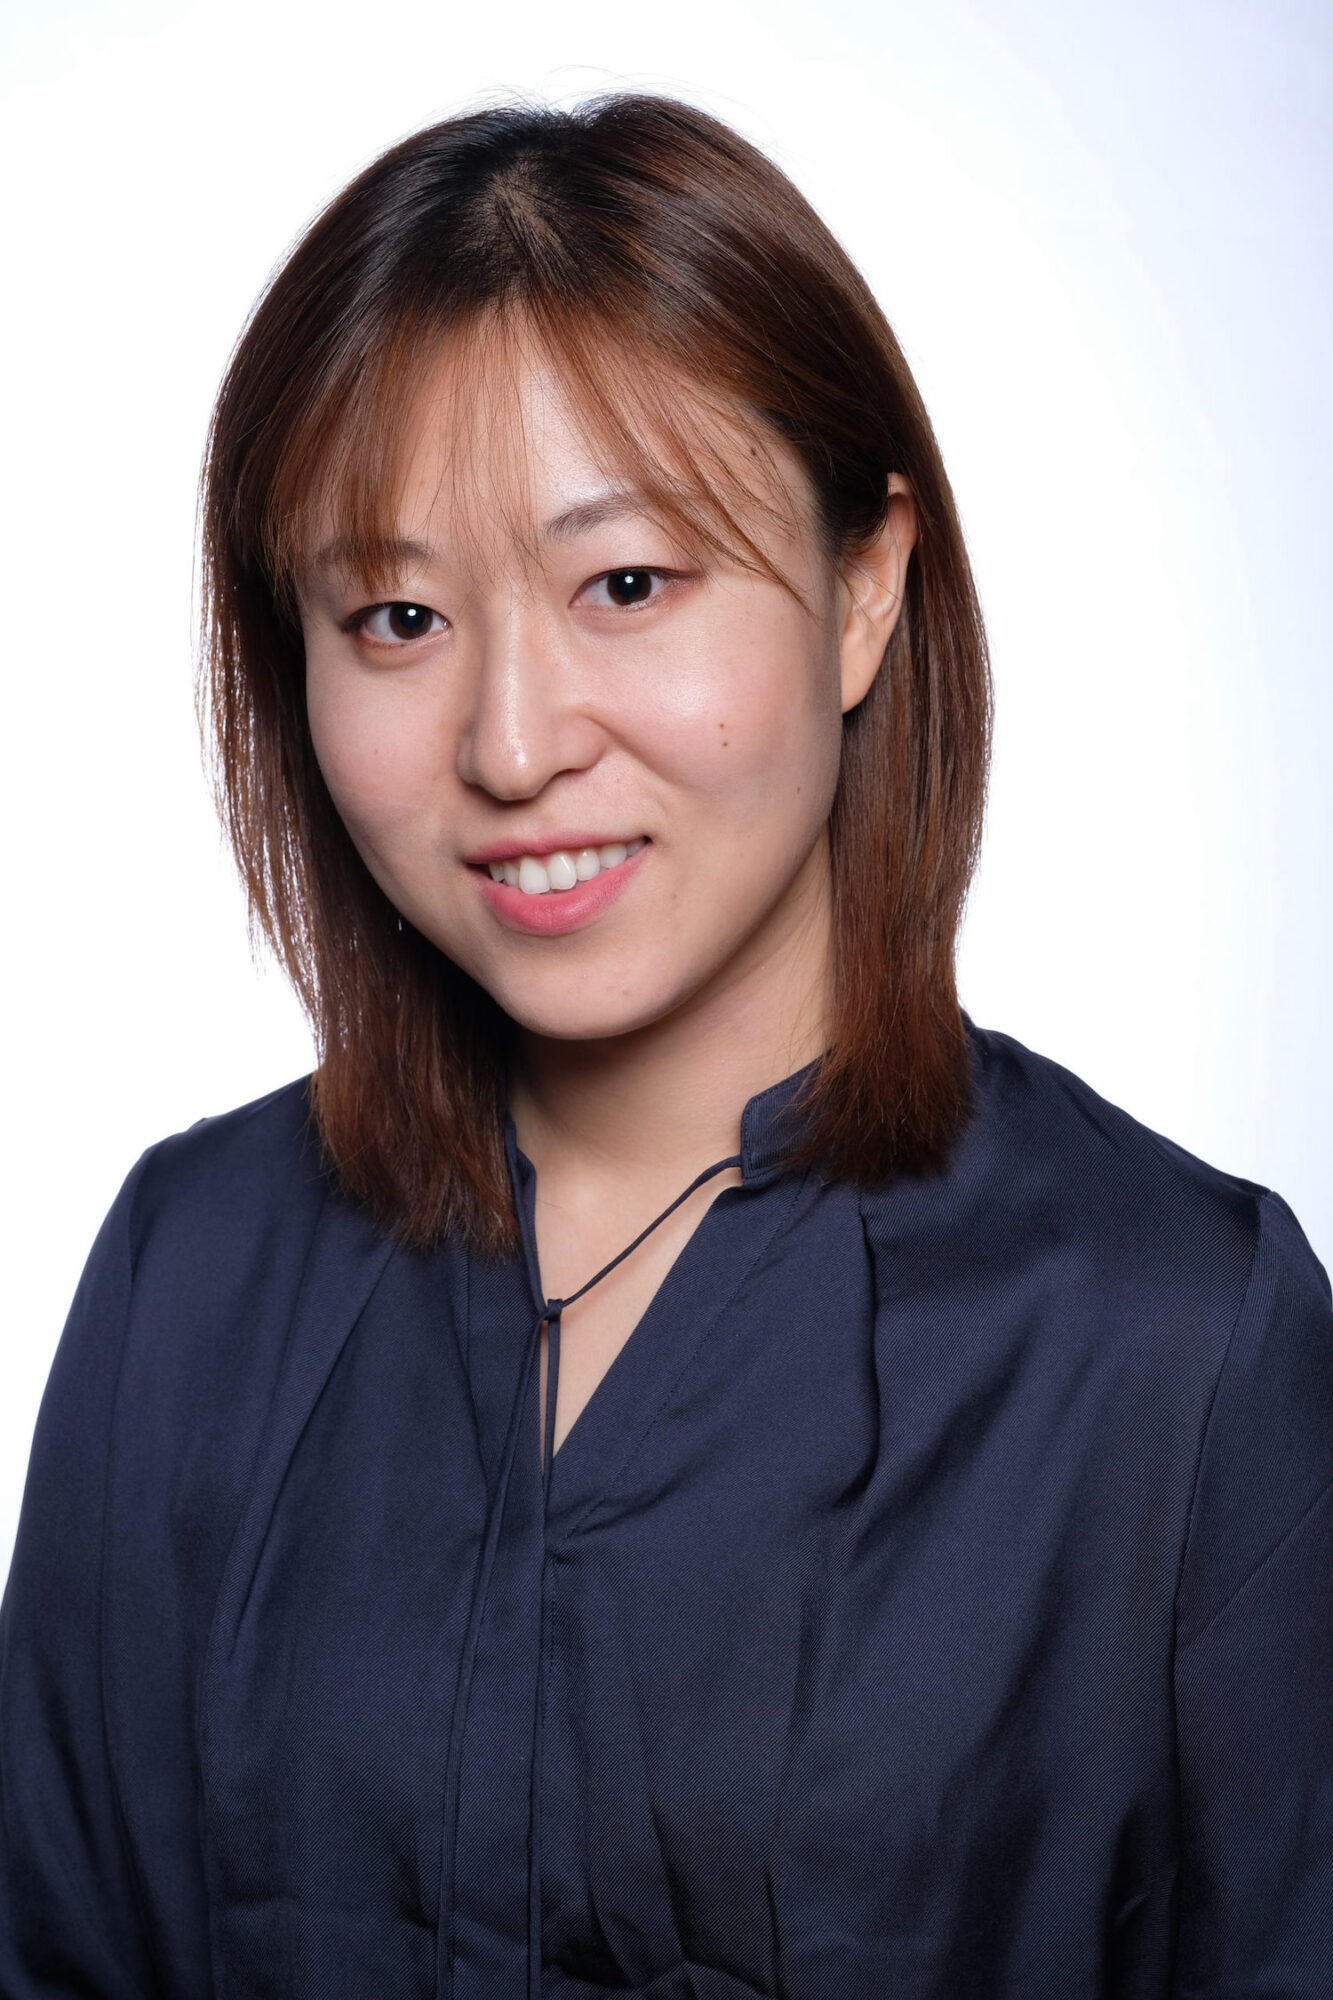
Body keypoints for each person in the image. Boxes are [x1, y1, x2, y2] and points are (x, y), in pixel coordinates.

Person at [1, 91, 1329, 2000]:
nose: (514, 740)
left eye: (627, 584)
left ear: (864, 588)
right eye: (393, 616)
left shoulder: (1173, 1342)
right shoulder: (186, 1273)